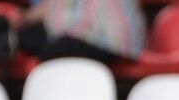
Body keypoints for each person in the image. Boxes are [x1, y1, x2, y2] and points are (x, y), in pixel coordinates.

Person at [17, 0, 146, 63]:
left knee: (51, 48)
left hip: (111, 44)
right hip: (94, 39)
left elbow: (79, 25)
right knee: (30, 39)